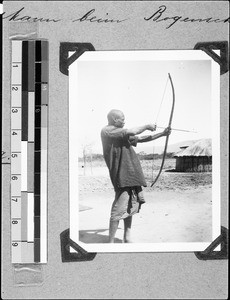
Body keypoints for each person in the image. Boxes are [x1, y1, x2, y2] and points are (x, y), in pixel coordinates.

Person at [101, 109, 171, 243]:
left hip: (132, 174)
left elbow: (141, 138)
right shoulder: (108, 131)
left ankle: (127, 237)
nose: (124, 120)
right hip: (121, 175)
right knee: (118, 209)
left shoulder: (120, 134)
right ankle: (110, 243)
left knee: (130, 206)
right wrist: (146, 126)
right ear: (115, 119)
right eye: (122, 118)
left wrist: (162, 134)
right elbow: (132, 131)